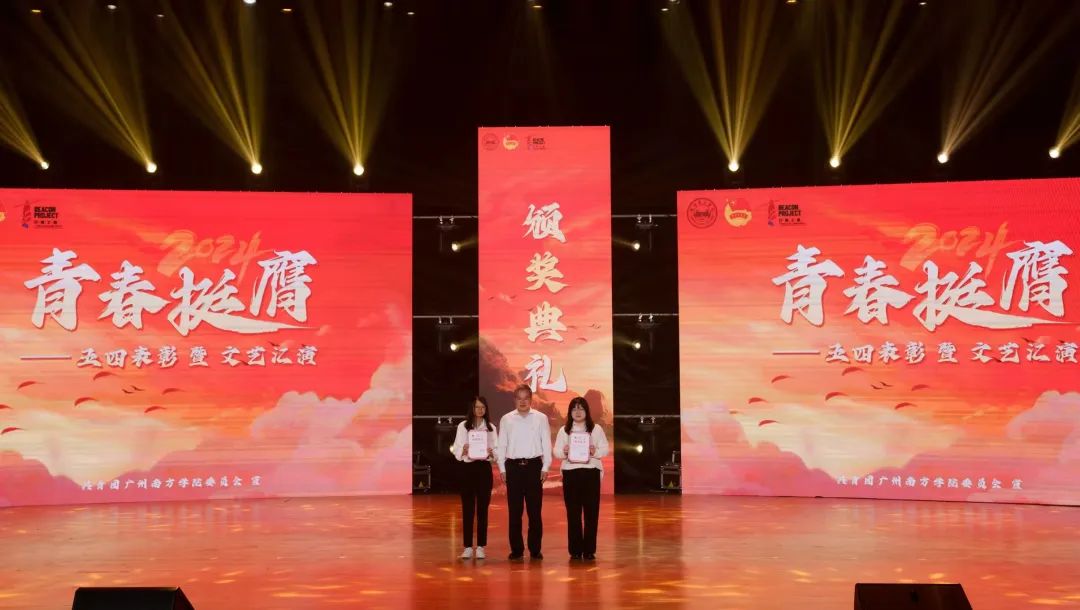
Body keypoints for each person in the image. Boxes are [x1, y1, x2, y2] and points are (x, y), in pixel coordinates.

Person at [497, 384, 552, 561]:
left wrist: (545, 467)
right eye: (519, 398)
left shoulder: (541, 418)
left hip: (534, 467)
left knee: (534, 512)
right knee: (515, 512)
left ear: (531, 399)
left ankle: (535, 549)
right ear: (515, 400)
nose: (522, 402)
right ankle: (517, 550)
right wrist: (502, 468)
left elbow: (546, 444)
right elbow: (501, 445)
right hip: (513, 467)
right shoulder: (506, 419)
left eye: (526, 398)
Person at [553, 396, 608, 561]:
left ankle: (589, 550)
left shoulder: (596, 429)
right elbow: (556, 451)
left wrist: (594, 451)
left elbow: (605, 449)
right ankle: (575, 550)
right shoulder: (564, 430)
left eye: (581, 408)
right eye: (574, 408)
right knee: (573, 513)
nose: (577, 412)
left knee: (591, 513)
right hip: (571, 473)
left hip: (591, 472)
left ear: (586, 411)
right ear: (570, 412)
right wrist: (564, 451)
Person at [452, 396, 497, 560]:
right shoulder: (463, 426)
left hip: (483, 469)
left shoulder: (491, 428)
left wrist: (492, 453)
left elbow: (496, 450)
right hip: (467, 469)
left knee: (483, 509)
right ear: (472, 409)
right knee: (468, 508)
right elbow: (456, 449)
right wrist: (463, 450)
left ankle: (481, 546)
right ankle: (467, 547)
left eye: (483, 407)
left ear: (486, 409)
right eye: (477, 407)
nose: (480, 410)